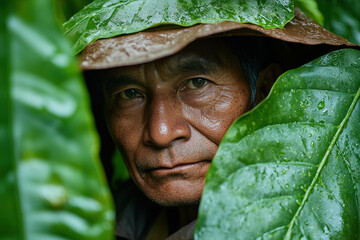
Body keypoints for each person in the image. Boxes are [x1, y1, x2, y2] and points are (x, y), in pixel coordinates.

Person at [79, 8, 355, 240]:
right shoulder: (89, 219)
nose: (160, 133)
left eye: (197, 84)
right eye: (129, 94)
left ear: (266, 92)